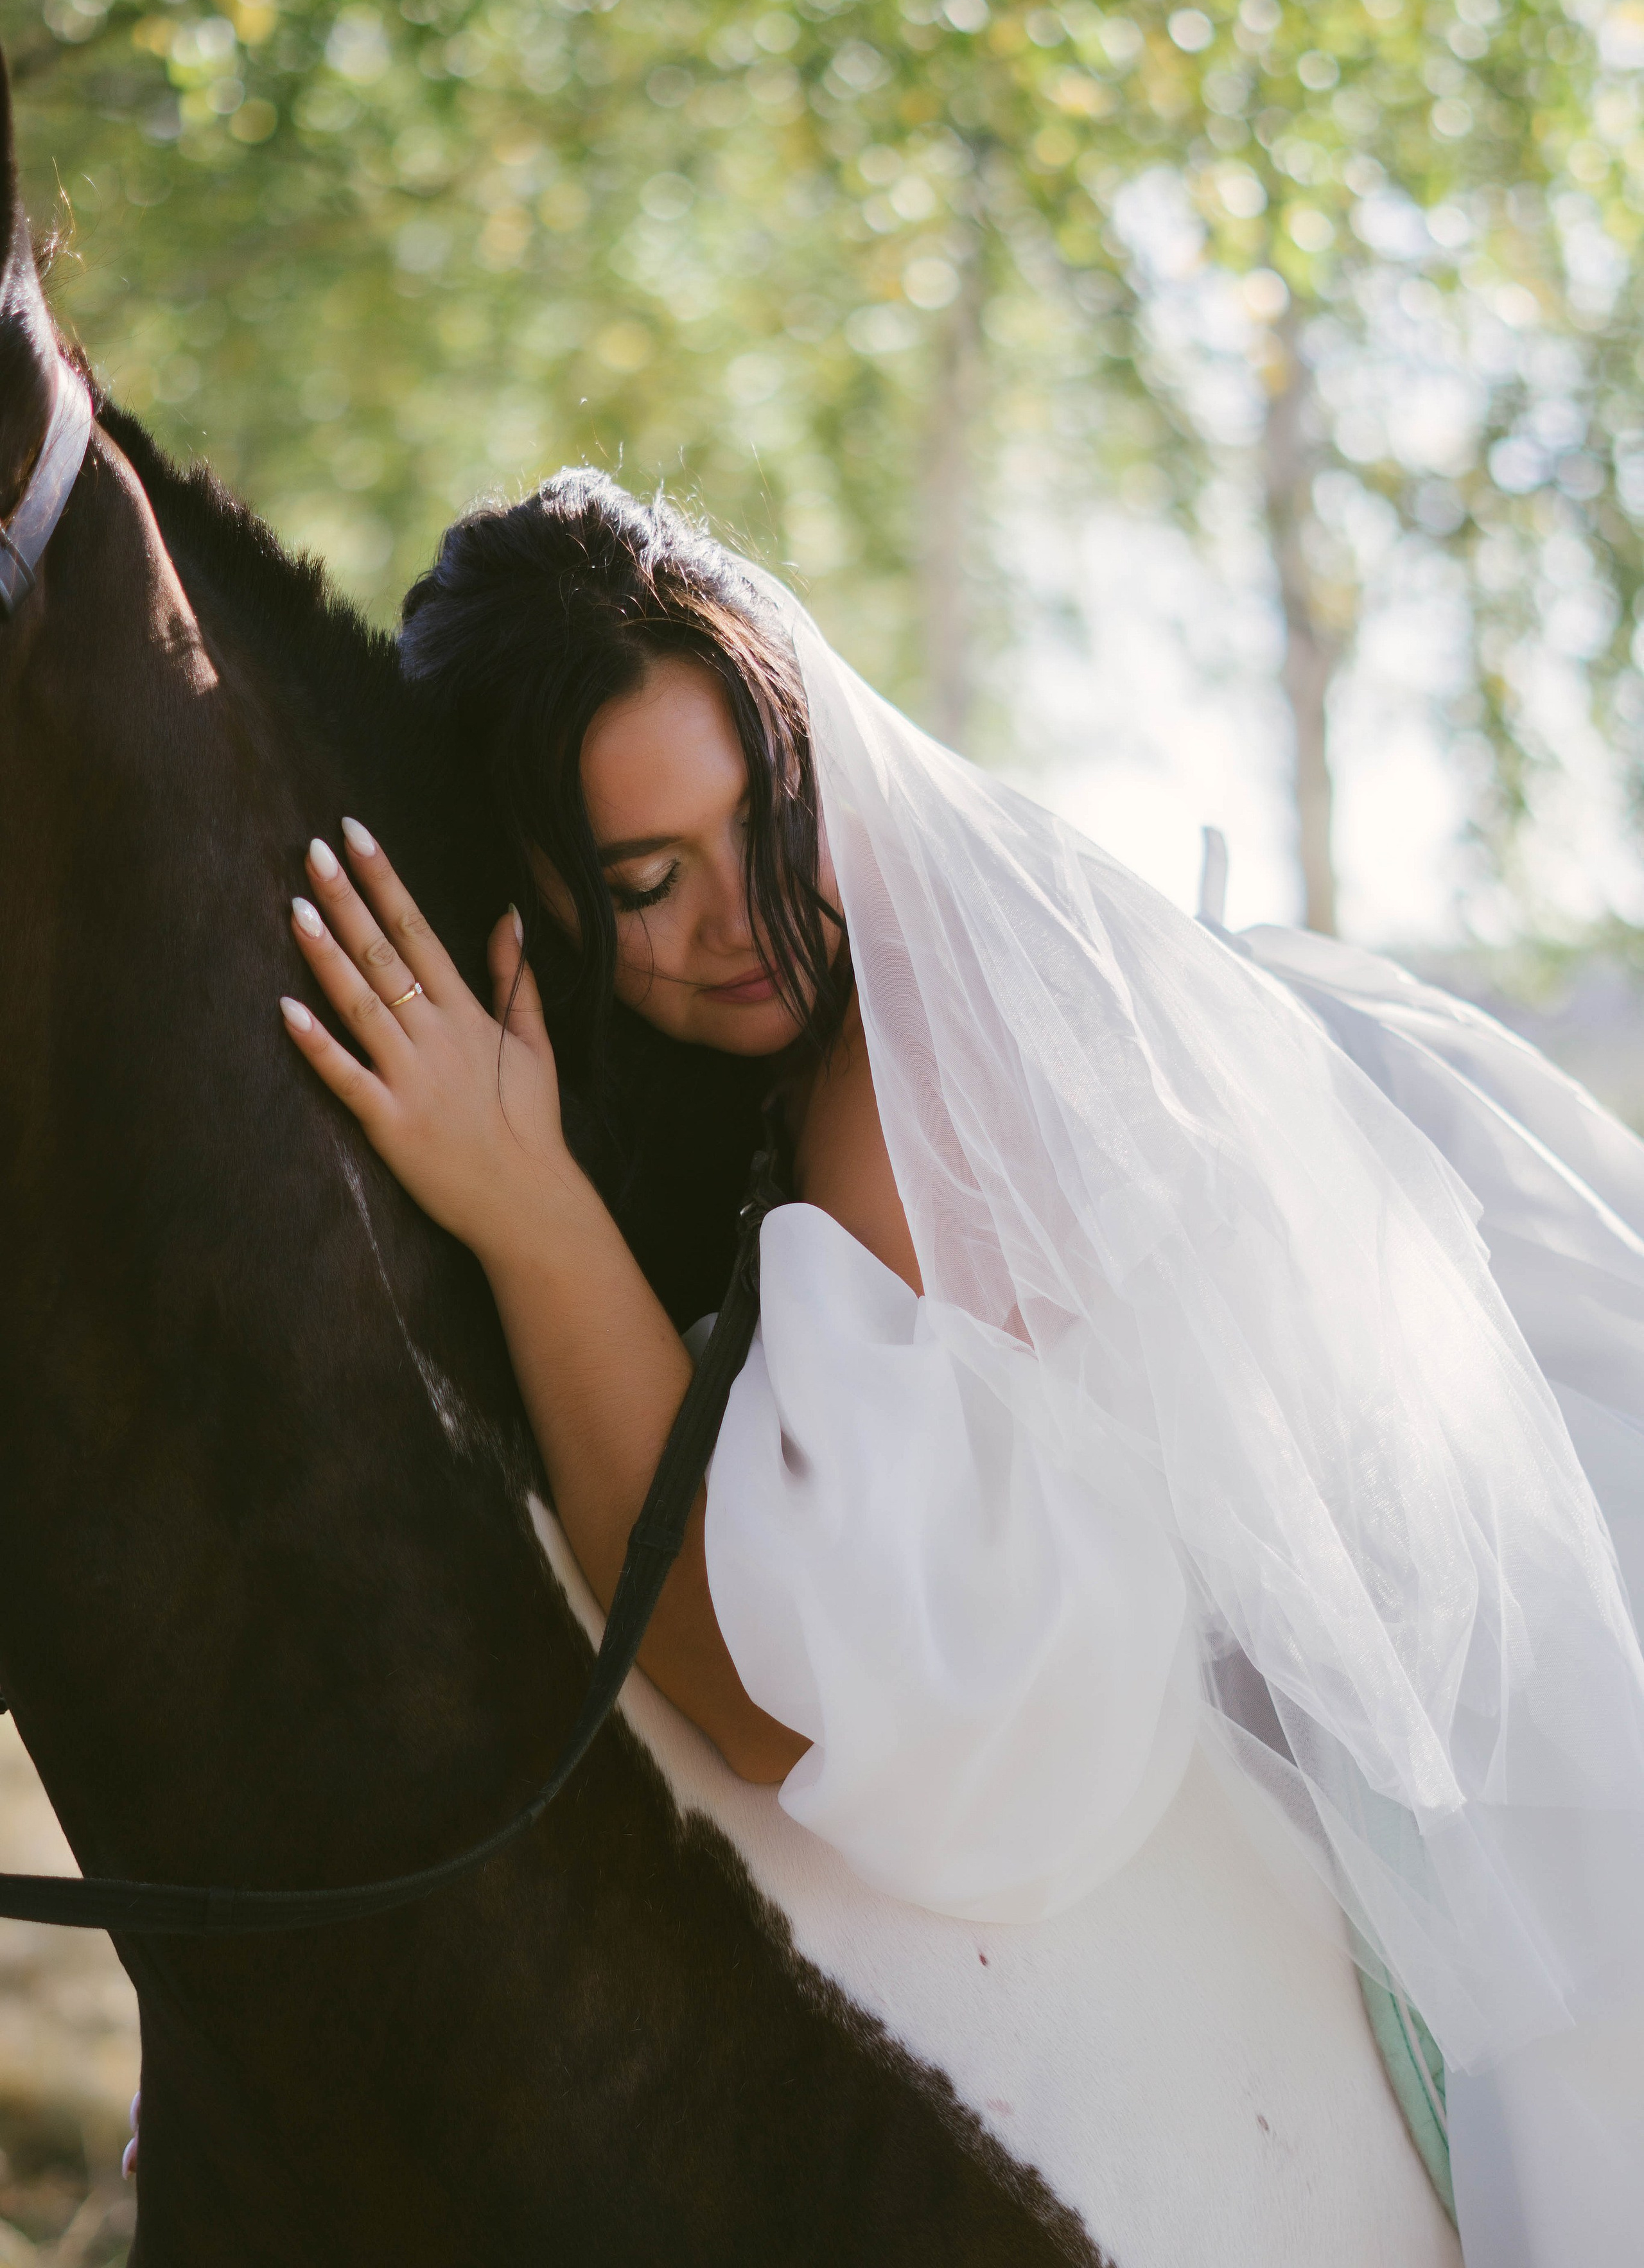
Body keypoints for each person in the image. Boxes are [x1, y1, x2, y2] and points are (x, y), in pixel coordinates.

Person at [270, 469, 1642, 2267]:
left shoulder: (909, 1087)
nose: (737, 916)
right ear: (538, 898)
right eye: (642, 885)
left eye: (766, 807)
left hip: (1502, 1813)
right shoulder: (882, 1003)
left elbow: (789, 1705)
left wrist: (531, 1218)